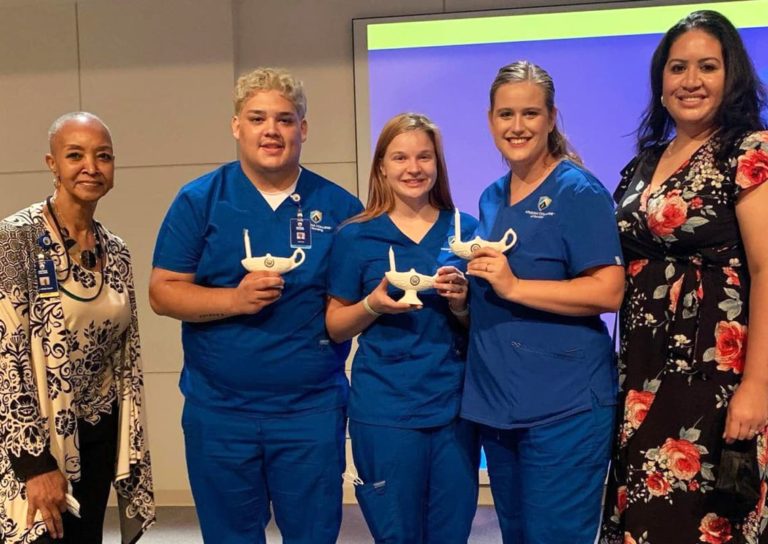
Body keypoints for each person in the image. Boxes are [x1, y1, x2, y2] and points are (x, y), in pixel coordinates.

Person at [149, 67, 362, 544]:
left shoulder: (341, 208)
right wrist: (235, 299)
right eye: (258, 118)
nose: (272, 131)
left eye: (285, 120)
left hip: (310, 412)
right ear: (236, 126)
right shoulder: (200, 201)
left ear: (303, 129)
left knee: (313, 535)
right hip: (220, 412)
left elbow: (348, 306)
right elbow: (163, 292)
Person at [600, 10, 768, 543]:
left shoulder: (749, 151)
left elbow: (766, 269)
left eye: (707, 66)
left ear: (732, 75)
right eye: (677, 68)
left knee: (702, 524)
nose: (690, 81)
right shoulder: (644, 163)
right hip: (642, 374)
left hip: (715, 376)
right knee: (646, 522)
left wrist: (758, 386)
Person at [460, 61, 625, 543]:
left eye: (530, 113)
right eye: (505, 114)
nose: (517, 126)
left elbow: (608, 290)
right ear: (490, 120)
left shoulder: (578, 191)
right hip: (499, 402)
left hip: (565, 405)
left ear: (552, 118)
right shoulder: (492, 197)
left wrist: (514, 287)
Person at [0, 112, 155, 544]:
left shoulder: (117, 250)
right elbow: (6, 359)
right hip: (36, 440)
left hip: (98, 435)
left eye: (102, 156)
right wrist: (34, 463)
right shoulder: (15, 240)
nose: (91, 166)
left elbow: (124, 354)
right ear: (52, 163)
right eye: (75, 155)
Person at [325, 112, 479, 543]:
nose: (413, 168)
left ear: (438, 164)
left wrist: (462, 304)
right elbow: (336, 327)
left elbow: (480, 327)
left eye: (424, 157)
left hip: (455, 410)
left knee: (450, 534)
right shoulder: (355, 237)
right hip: (386, 412)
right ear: (381, 167)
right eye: (400, 158)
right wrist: (373, 304)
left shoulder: (466, 231)